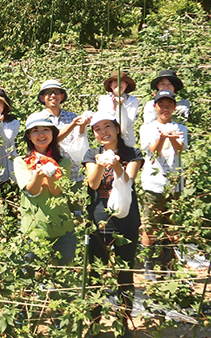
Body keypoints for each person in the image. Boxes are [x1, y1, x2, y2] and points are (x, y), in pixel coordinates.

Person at [83, 113, 144, 336]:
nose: (103, 132)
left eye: (107, 126)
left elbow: (128, 180)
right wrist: (100, 165)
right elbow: (93, 183)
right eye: (97, 129)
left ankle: (123, 324)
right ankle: (94, 323)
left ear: (117, 129)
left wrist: (117, 165)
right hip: (99, 220)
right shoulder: (92, 154)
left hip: (127, 221)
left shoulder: (133, 153)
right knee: (96, 274)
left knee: (125, 274)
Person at [13, 113, 76, 266]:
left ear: (53, 134)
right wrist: (39, 175)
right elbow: (32, 191)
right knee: (32, 277)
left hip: (62, 230)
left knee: (63, 276)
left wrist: (51, 173)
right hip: (34, 229)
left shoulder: (64, 162)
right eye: (35, 131)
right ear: (29, 136)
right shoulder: (21, 162)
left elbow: (56, 191)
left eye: (46, 130)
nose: (41, 134)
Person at [139, 90, 189, 280]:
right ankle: (148, 266)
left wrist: (173, 137)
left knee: (172, 225)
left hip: (175, 183)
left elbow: (180, 150)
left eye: (169, 105)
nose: (165, 109)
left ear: (174, 107)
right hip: (153, 182)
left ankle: (168, 265)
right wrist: (162, 137)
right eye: (161, 105)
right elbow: (153, 152)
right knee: (149, 225)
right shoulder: (147, 128)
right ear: (155, 107)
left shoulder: (181, 128)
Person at [37, 80, 90, 186]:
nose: (53, 95)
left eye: (56, 92)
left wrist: (83, 125)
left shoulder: (72, 116)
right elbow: (52, 140)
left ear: (61, 96)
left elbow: (78, 141)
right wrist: (73, 125)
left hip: (75, 174)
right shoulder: (39, 119)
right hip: (51, 174)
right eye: (48, 92)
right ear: (42, 98)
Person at [96, 71, 140, 147]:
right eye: (115, 81)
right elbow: (104, 120)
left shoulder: (133, 101)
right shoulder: (103, 100)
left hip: (126, 140)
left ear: (126, 85)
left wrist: (121, 107)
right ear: (110, 85)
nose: (119, 84)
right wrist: (114, 107)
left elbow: (128, 122)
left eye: (122, 82)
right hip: (108, 139)